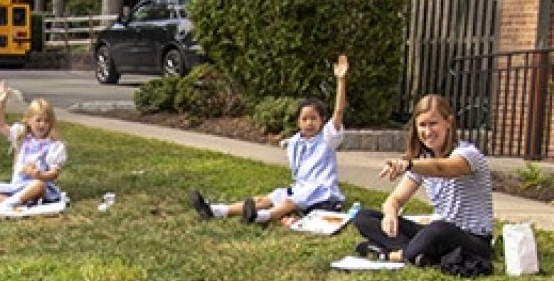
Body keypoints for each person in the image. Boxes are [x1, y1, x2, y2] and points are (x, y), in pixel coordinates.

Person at [190, 54, 348, 224]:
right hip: (300, 188)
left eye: (313, 118)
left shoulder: (327, 138)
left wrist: (341, 81)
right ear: (298, 121)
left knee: (289, 202)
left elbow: (338, 112)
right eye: (305, 119)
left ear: (322, 120)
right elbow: (291, 147)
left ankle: (261, 217)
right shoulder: (296, 141)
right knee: (264, 200)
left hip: (321, 192)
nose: (309, 123)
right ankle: (215, 210)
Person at [352, 95, 493, 268]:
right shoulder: (423, 161)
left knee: (440, 228)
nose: (427, 132)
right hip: (435, 233)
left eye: (433, 124)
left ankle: (394, 253)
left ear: (448, 122)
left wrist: (409, 164)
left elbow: (444, 168)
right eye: (422, 125)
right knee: (364, 217)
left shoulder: (468, 154)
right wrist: (390, 214)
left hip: (472, 239)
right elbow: (395, 200)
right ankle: (415, 253)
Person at [0, 80, 68, 213]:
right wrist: (1, 102)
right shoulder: (21, 136)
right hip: (17, 187)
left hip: (38, 186)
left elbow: (54, 174)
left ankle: (3, 205)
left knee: (38, 185)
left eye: (46, 121)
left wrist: (39, 175)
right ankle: (15, 205)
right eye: (38, 120)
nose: (42, 124)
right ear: (28, 120)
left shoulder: (54, 146)